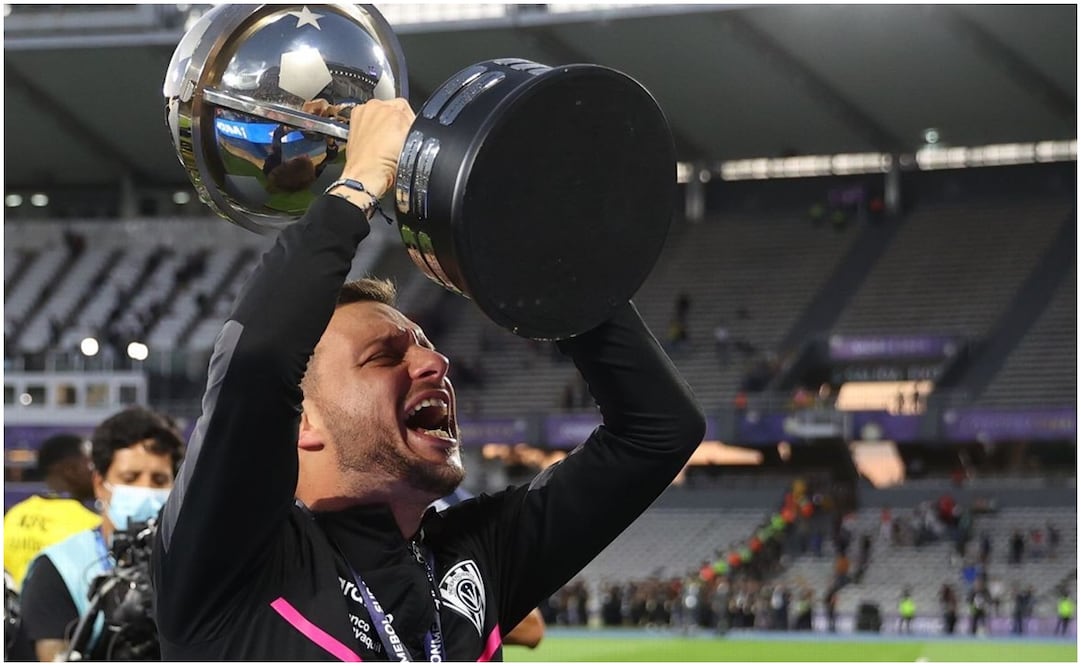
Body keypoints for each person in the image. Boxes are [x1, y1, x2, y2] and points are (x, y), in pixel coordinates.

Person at [150, 98, 705, 661]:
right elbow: (257, 357)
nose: (434, 365)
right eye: (384, 356)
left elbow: (658, 431)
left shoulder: (478, 554)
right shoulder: (231, 560)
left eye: (427, 347)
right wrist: (363, 179)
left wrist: (530, 256)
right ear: (302, 421)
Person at [18, 407, 184, 662]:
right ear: (99, 484)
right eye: (130, 478)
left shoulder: (190, 563)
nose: (145, 490)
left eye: (159, 480)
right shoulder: (60, 568)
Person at [4, 434, 100, 591]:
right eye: (90, 465)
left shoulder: (14, 515)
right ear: (71, 469)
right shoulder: (90, 525)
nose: (97, 474)